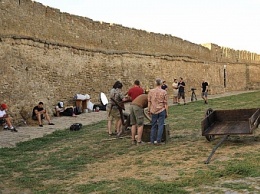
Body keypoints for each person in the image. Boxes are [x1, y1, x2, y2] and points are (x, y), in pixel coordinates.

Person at [148, 78, 168, 145]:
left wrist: (149, 110)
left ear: (155, 83)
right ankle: (158, 140)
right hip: (161, 109)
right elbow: (166, 103)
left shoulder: (151, 91)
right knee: (160, 125)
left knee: (153, 125)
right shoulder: (164, 92)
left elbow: (149, 102)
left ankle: (152, 140)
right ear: (161, 84)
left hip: (153, 110)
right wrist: (167, 112)